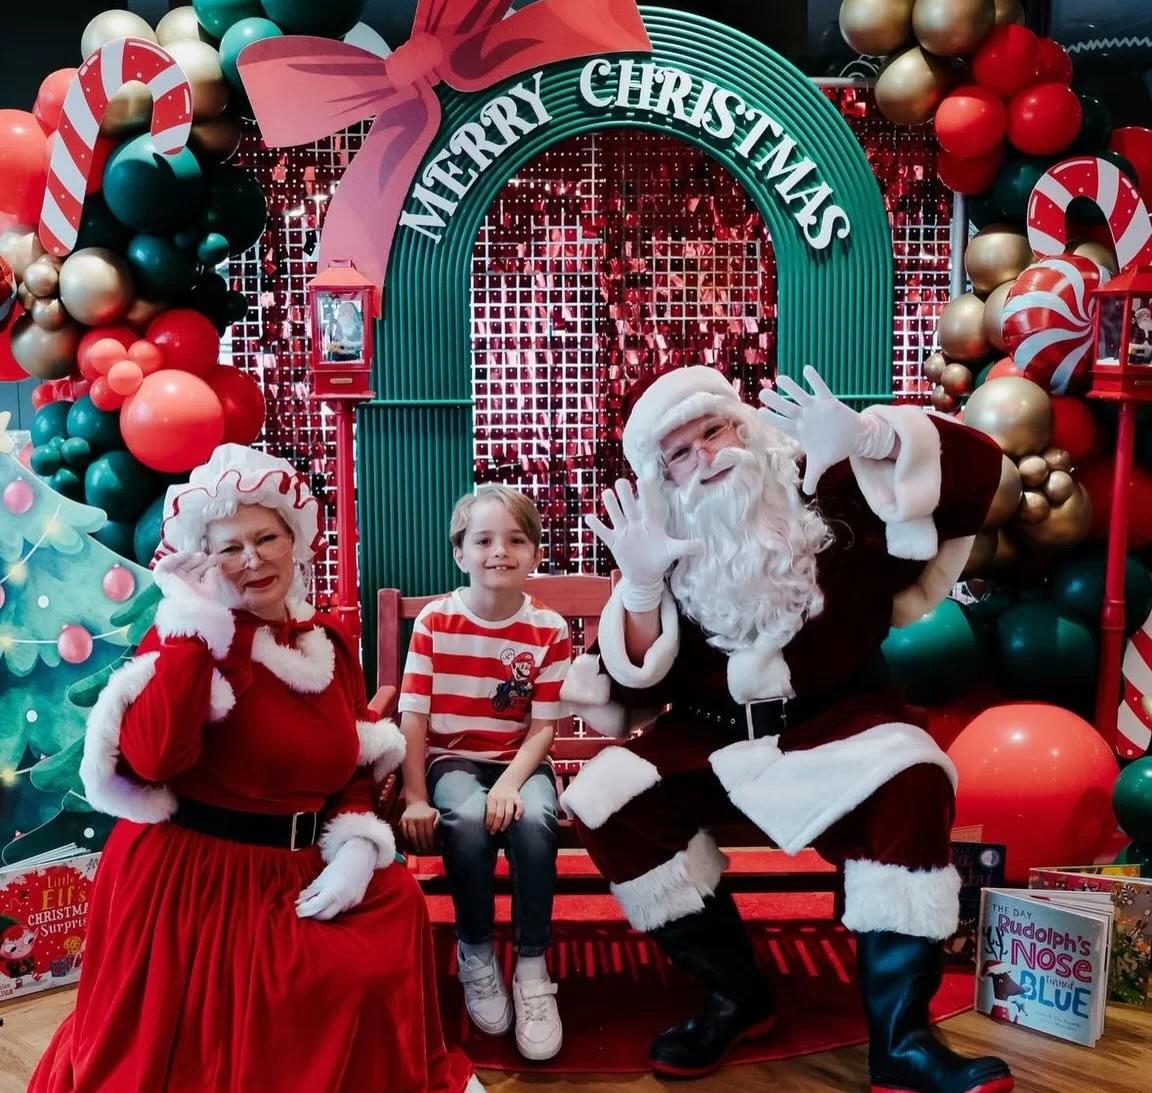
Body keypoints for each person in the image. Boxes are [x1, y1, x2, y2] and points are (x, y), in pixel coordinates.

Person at [558, 365, 1015, 1093]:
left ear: (745, 427)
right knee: (606, 799)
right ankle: (736, 992)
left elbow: (978, 469)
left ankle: (900, 1040)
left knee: (915, 778)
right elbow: (633, 679)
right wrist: (640, 585)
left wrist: (873, 435)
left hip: (840, 720)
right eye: (679, 452)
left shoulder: (831, 488)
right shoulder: (664, 536)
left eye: (713, 430)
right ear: (662, 475)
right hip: (712, 737)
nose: (705, 455)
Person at [29, 444, 480, 1093]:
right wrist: (194, 625)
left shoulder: (325, 643)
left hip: (301, 866)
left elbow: (348, 763)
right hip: (197, 881)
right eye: (230, 547)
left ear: (294, 539)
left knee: (394, 903)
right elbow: (155, 757)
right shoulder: (187, 638)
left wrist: (355, 842)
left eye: (266, 536)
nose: (252, 559)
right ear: (205, 561)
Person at [397, 485, 570, 1062]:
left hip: (519, 760)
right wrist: (416, 796)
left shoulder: (549, 629)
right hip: (451, 758)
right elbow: (414, 717)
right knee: (467, 819)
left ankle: (530, 965)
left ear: (536, 553)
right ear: (460, 554)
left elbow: (542, 728)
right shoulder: (435, 621)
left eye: (516, 539)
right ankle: (474, 950)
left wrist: (509, 783)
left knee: (535, 819)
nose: (500, 551)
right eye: (484, 540)